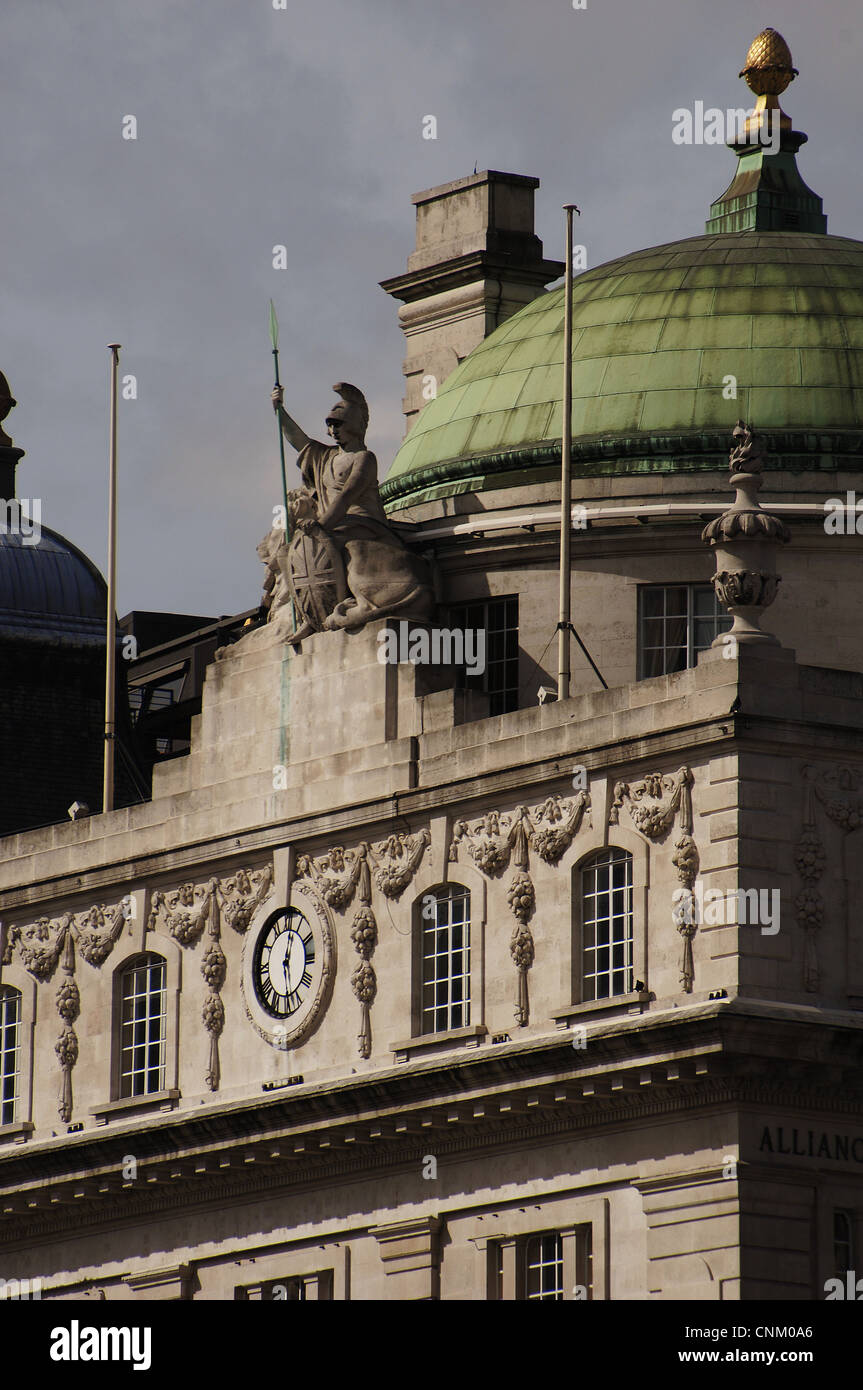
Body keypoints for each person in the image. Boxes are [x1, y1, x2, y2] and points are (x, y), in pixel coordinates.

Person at [271, 382, 433, 633]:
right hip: (331, 525)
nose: (333, 430)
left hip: (362, 525)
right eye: (330, 424)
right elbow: (299, 441)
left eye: (339, 423)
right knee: (287, 554)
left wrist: (321, 525)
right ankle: (310, 615)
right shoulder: (325, 457)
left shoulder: (364, 458)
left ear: (356, 425)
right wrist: (279, 409)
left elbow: (347, 496)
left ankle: (356, 604)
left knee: (334, 546)